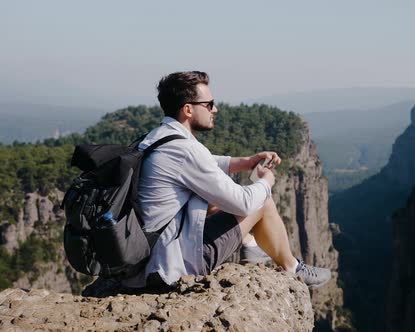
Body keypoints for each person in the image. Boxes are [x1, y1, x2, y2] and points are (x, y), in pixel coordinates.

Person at [122, 71, 331, 289]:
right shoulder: (186, 151)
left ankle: (251, 247)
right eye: (209, 104)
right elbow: (244, 203)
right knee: (261, 201)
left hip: (149, 255)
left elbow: (206, 163)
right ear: (188, 109)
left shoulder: (155, 138)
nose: (215, 109)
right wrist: (267, 182)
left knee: (214, 199)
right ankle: (292, 269)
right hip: (171, 265)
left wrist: (245, 162)